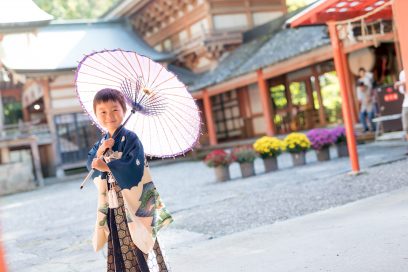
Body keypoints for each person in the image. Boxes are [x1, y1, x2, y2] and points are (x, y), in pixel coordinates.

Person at [87, 88, 173, 272]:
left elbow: (134, 166)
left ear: (124, 111)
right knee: (119, 237)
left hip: (134, 201)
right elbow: (90, 163)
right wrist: (101, 151)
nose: (109, 115)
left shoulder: (131, 138)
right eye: (102, 112)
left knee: (140, 237)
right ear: (96, 115)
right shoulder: (101, 142)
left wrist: (108, 166)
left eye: (115, 109)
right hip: (114, 202)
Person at [395, 69, 408, 140]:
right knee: (406, 125)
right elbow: (401, 91)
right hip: (406, 102)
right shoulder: (402, 73)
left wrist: (402, 83)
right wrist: (402, 85)